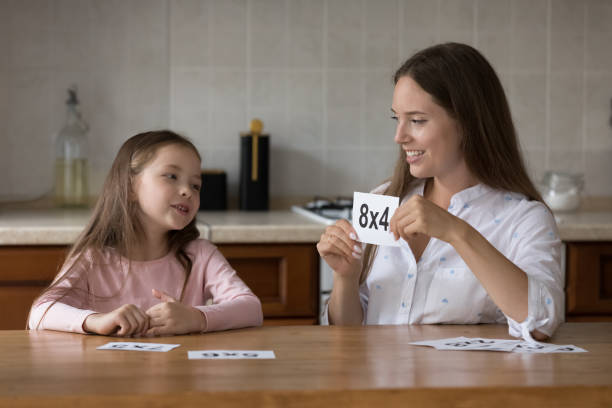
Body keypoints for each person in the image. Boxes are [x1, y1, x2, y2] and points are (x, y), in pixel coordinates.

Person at [317, 43, 563, 342]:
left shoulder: (524, 219)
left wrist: (456, 232)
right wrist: (345, 277)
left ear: (468, 122)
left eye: (417, 120)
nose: (400, 136)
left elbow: (540, 323)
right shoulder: (384, 199)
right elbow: (348, 337)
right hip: (378, 387)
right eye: (397, 119)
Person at [29, 130, 263, 336]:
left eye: (195, 185)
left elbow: (251, 308)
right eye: (171, 176)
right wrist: (96, 321)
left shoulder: (201, 255)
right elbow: (39, 313)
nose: (187, 192)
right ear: (130, 187)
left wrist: (196, 318)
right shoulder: (93, 259)